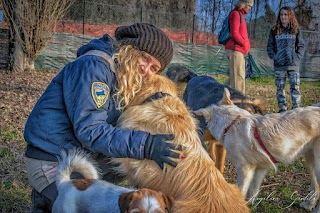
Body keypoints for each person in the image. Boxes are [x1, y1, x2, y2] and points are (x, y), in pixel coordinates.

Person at [24, 23, 183, 212]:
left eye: (154, 68)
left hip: (85, 155)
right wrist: (145, 145)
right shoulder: (94, 67)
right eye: (145, 58)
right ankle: (44, 199)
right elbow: (90, 130)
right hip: (52, 158)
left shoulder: (124, 75)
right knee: (67, 202)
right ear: (130, 48)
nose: (146, 70)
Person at [267, 6, 305, 113]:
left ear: (290, 16)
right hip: (279, 66)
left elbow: (301, 46)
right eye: (281, 14)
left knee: (295, 88)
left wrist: (297, 58)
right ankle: (282, 110)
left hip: (293, 64)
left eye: (286, 14)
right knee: (280, 89)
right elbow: (269, 47)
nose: (283, 17)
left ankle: (296, 111)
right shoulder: (274, 30)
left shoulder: (296, 30)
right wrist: (275, 56)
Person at [224, 0, 254, 94]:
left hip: (239, 50)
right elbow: (234, 33)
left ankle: (220, 93)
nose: (250, 8)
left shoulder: (241, 15)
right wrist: (244, 43)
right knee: (238, 78)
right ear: (243, 4)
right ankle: (239, 102)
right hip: (235, 50)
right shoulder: (236, 14)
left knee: (235, 76)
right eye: (249, 5)